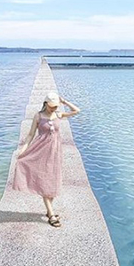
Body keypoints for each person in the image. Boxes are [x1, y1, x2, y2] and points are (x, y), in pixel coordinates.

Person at [12, 92, 81, 227]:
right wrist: (23, 150)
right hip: (40, 151)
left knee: (53, 181)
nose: (54, 108)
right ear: (45, 104)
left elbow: (77, 111)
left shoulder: (58, 114)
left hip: (55, 152)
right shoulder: (38, 116)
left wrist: (64, 102)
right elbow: (31, 134)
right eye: (51, 106)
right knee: (44, 181)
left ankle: (49, 211)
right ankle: (51, 213)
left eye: (55, 106)